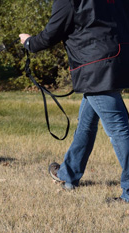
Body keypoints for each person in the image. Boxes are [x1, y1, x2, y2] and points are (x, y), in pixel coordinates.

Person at [19, 0, 129, 202]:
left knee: (120, 131)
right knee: (87, 124)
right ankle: (68, 175)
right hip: (117, 61)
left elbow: (52, 33)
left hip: (96, 67)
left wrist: (29, 43)